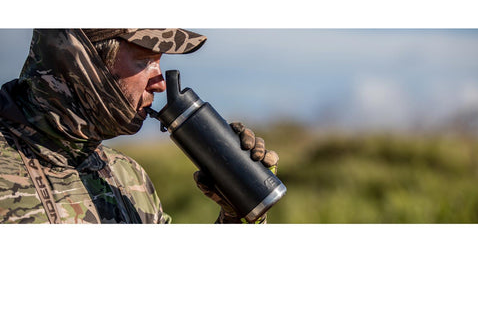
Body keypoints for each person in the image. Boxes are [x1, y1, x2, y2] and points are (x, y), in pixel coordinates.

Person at [0, 29, 278, 224]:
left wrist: (238, 215)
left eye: (159, 63)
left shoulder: (128, 176)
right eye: (144, 62)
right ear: (81, 63)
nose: (160, 84)